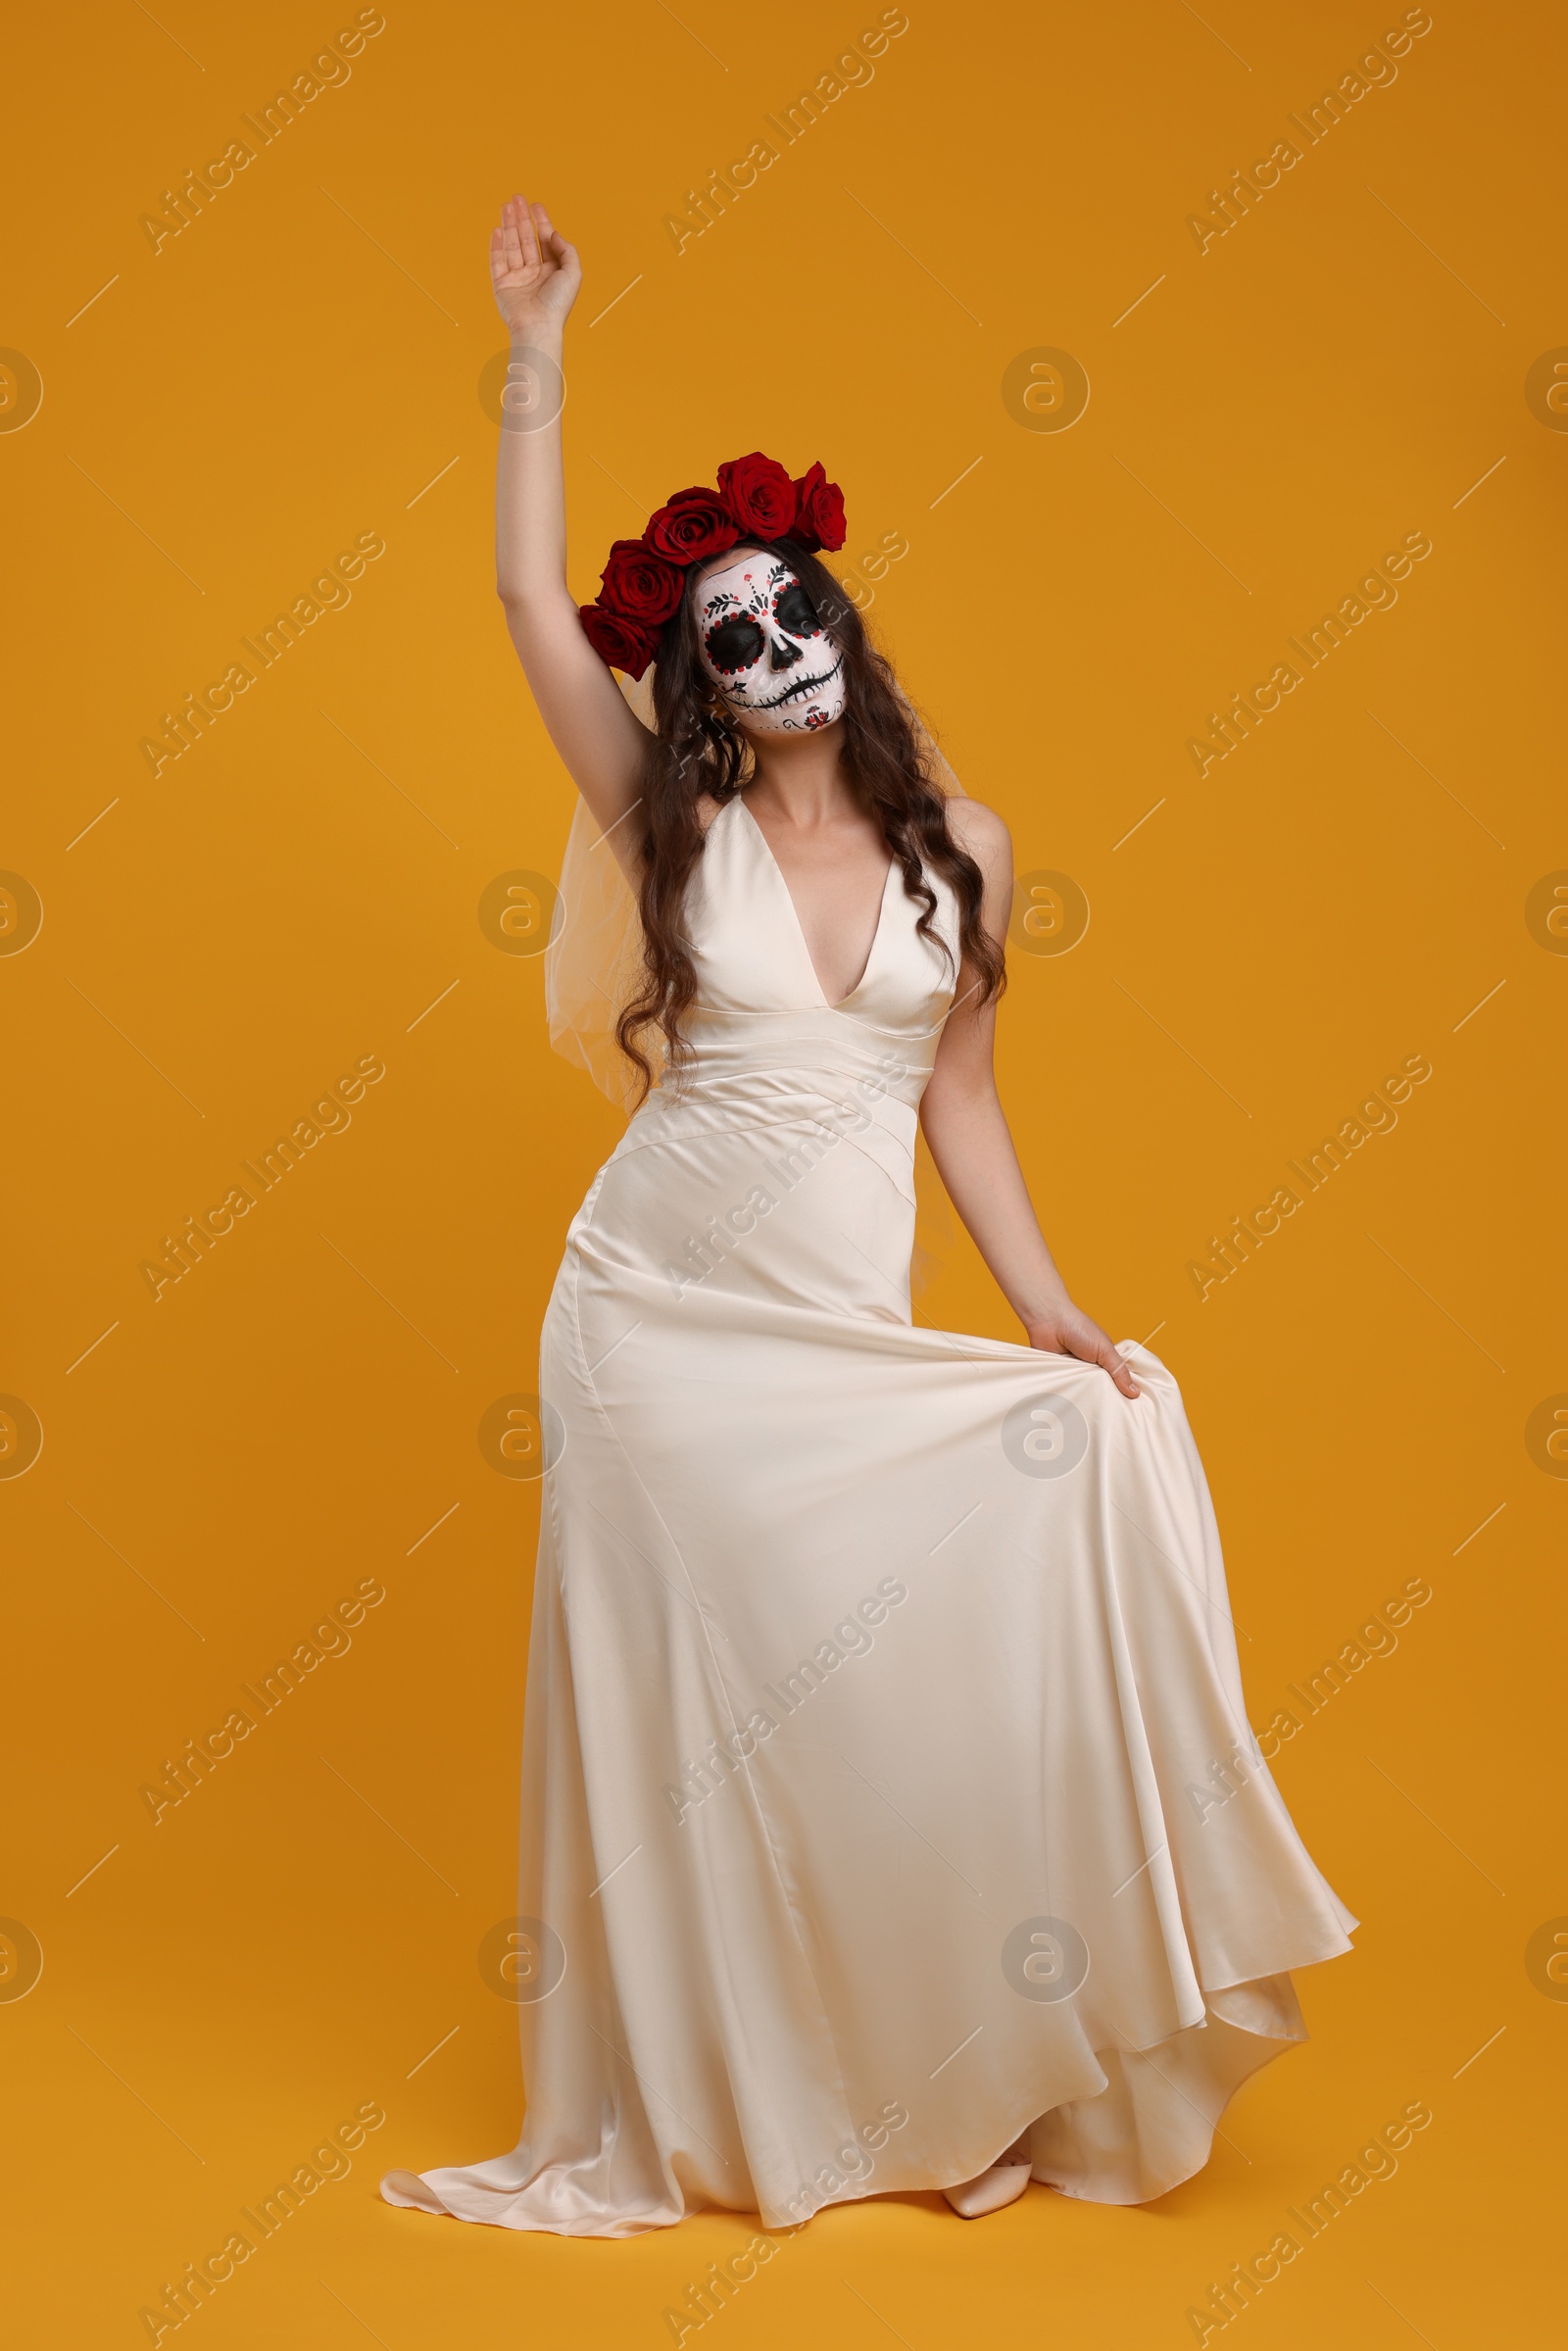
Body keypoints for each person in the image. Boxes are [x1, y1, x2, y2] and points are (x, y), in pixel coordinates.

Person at [380, 192, 1354, 2240]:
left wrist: (1057, 1319)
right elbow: (518, 603)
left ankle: (928, 2061)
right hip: (649, 1318)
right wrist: (539, 337)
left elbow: (962, 1107)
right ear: (702, 688)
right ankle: (711, 2105)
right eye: (724, 636)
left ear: (840, 617)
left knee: (900, 1661)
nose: (772, 646)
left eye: (792, 606)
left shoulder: (965, 853)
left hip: (836, 1331)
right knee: (699, 1732)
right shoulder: (673, 823)